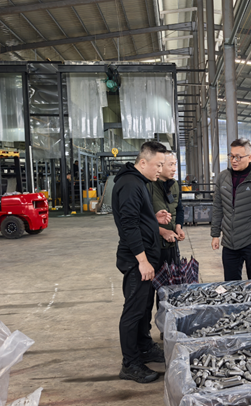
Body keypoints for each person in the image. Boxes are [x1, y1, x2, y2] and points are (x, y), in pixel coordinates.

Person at [111, 141, 172, 384]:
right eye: (158, 164)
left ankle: (144, 346)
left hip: (144, 257)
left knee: (144, 306)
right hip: (137, 259)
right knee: (134, 310)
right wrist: (143, 261)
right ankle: (130, 364)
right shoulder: (129, 184)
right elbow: (128, 226)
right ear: (143, 162)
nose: (161, 169)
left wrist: (152, 218)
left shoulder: (139, 182)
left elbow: (138, 218)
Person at [211, 138, 251, 281]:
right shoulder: (223, 177)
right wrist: (215, 234)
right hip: (229, 243)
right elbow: (218, 207)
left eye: (238, 157)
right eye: (231, 156)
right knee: (231, 284)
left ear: (249, 157)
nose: (234, 160)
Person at [147, 152, 185, 301]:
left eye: (175, 164)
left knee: (170, 291)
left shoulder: (174, 185)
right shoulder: (148, 186)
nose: (174, 168)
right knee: (150, 291)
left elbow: (179, 209)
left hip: (171, 245)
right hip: (153, 246)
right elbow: (141, 218)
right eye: (171, 165)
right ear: (160, 165)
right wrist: (162, 231)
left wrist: (178, 227)